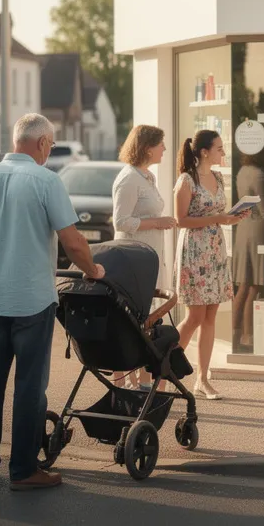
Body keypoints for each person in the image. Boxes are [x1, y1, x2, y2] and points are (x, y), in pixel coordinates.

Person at [0, 113, 105, 491]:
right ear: (41, 144)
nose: (51, 150)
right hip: (31, 303)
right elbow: (73, 243)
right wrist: (94, 270)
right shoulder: (46, 180)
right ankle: (23, 470)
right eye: (51, 144)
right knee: (28, 387)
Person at [174, 129, 247, 400]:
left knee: (210, 316)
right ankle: (165, 368)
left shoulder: (218, 178)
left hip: (215, 250)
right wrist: (219, 219)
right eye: (219, 148)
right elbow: (180, 220)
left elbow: (218, 215)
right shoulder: (186, 180)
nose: (223, 152)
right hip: (194, 251)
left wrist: (231, 217)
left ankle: (202, 379)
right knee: (194, 316)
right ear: (204, 151)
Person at [111, 125, 178, 390]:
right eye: (161, 144)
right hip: (132, 261)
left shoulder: (147, 176)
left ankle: (143, 383)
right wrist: (157, 222)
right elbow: (120, 221)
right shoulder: (128, 179)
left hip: (149, 258)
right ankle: (124, 385)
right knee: (132, 322)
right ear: (148, 147)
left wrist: (158, 223)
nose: (164, 149)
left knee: (146, 320)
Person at [231, 149, 264, 353]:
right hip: (258, 231)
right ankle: (249, 336)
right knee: (254, 283)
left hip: (243, 229)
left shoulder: (243, 170)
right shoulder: (261, 174)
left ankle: (235, 334)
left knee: (243, 285)